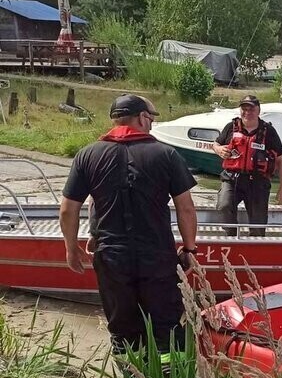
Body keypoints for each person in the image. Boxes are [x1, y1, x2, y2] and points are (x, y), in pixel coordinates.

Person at [59, 94, 198, 361]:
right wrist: (190, 248)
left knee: (123, 327)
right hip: (157, 255)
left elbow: (68, 209)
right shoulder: (166, 154)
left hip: (111, 256)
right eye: (152, 118)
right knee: (167, 326)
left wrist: (71, 247)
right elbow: (186, 208)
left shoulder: (87, 155)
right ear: (143, 118)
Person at [212, 95, 282, 236]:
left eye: (251, 109)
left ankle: (255, 246)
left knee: (258, 224)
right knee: (224, 205)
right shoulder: (231, 127)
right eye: (244, 109)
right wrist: (219, 149)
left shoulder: (268, 132)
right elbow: (216, 144)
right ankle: (231, 236)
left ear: (258, 110)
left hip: (258, 182)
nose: (247, 112)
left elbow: (281, 160)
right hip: (232, 178)